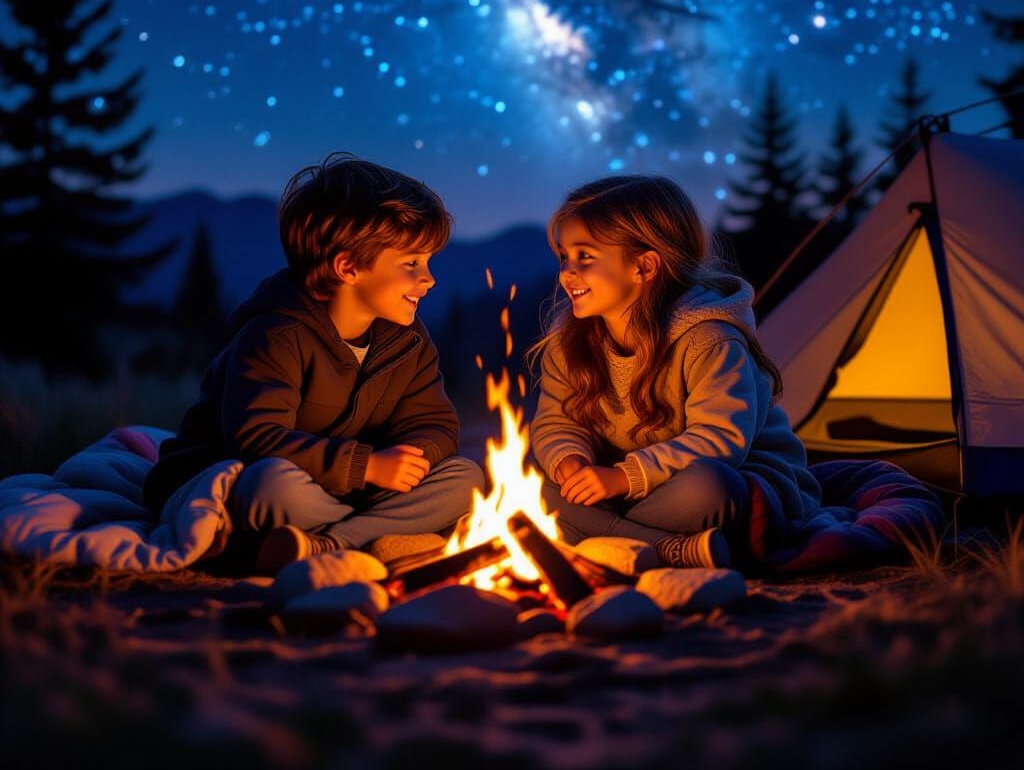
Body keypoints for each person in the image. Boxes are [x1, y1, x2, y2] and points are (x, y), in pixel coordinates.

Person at [143, 154, 483, 573]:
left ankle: (325, 546)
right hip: (249, 478)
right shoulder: (276, 334)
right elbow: (257, 438)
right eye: (411, 263)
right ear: (348, 267)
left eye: (428, 263)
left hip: (348, 492)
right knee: (272, 485)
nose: (428, 278)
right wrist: (368, 466)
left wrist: (415, 457)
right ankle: (374, 539)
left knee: (465, 478)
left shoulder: (408, 342)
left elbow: (436, 423)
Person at [528, 175, 820, 569]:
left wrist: (623, 478)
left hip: (734, 484)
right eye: (564, 256)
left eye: (585, 257)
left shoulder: (709, 339)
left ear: (644, 266)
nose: (567, 272)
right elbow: (557, 420)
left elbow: (719, 440)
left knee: (709, 488)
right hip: (628, 490)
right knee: (534, 486)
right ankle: (668, 549)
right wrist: (570, 459)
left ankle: (608, 541)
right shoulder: (570, 343)